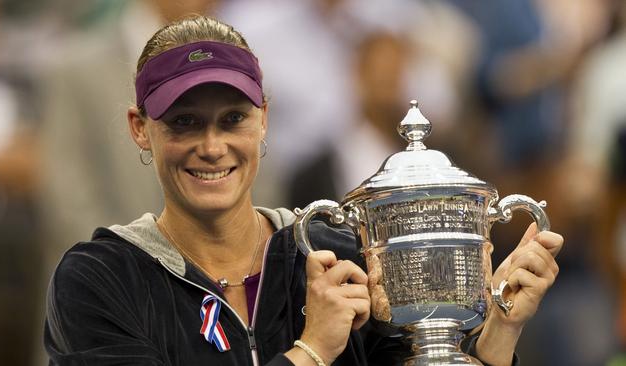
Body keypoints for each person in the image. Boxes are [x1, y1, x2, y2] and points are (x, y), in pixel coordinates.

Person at [44, 15, 564, 366]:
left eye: (232, 119)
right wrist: (311, 351)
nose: (212, 145)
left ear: (264, 119)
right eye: (183, 123)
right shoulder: (99, 277)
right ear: (140, 128)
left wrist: (499, 329)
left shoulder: (337, 254)